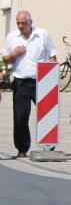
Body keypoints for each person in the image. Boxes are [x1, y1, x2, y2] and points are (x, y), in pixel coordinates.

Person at [2, 10, 58, 158]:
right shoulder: (11, 37)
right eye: (18, 23)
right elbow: (5, 60)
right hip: (21, 81)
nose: (21, 26)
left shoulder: (42, 35)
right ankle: (22, 148)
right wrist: (13, 54)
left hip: (42, 81)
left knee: (47, 113)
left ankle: (48, 146)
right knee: (20, 116)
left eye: (23, 23)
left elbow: (52, 55)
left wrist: (53, 76)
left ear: (30, 22)